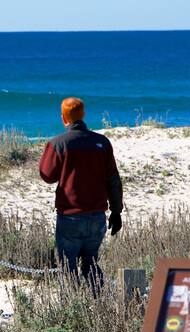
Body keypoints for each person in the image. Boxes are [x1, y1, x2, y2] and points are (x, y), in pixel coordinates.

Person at [39, 97, 123, 297]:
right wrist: (117, 211)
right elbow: (113, 179)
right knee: (91, 264)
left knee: (67, 268)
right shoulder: (101, 142)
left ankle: (70, 309)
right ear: (83, 115)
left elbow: (47, 175)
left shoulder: (58, 143)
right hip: (97, 215)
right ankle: (100, 305)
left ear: (63, 118)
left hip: (70, 215)